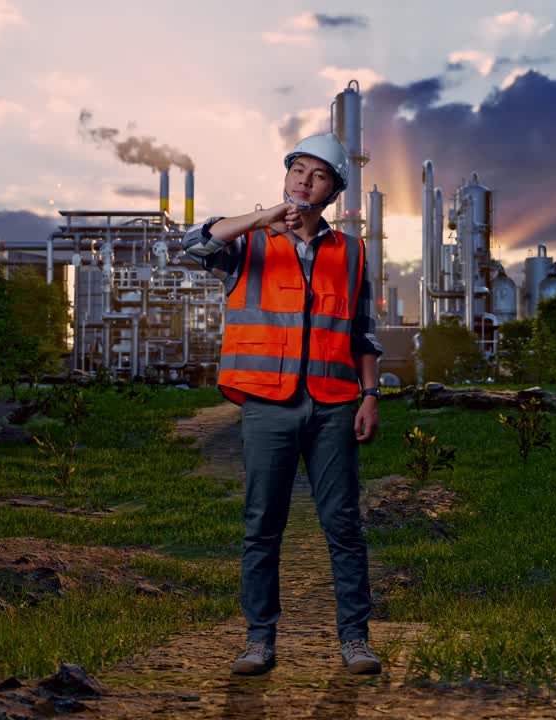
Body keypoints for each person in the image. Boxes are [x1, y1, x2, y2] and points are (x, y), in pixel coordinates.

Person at [182, 133, 384, 676]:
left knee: (343, 523)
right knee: (262, 524)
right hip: (267, 402)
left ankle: (355, 639)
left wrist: (371, 395)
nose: (304, 180)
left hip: (335, 401)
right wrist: (261, 219)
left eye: (318, 175)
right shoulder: (246, 244)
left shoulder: (352, 252)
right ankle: (259, 640)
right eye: (298, 169)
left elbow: (363, 333)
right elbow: (189, 245)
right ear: (286, 175)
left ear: (333, 191)